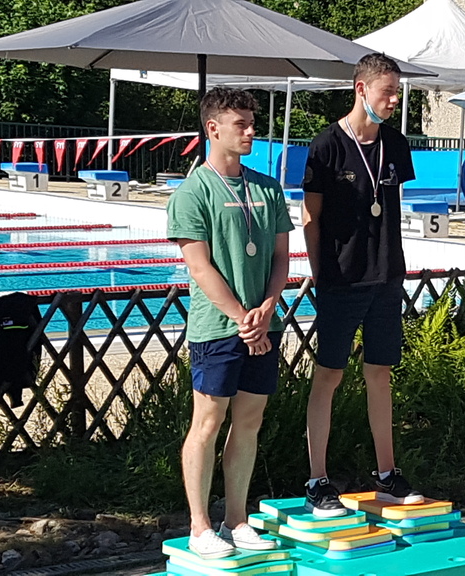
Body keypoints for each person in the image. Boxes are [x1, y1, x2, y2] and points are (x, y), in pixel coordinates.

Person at [167, 87, 293, 558]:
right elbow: (199, 267)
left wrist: (268, 307)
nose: (251, 131)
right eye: (241, 124)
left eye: (252, 123)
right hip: (218, 328)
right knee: (208, 421)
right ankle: (200, 525)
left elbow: (281, 257)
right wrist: (243, 318)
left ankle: (237, 519)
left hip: (264, 325)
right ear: (213, 128)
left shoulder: (267, 188)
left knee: (249, 421)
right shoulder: (192, 192)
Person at [301, 52, 421, 517]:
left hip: (386, 276)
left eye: (397, 92)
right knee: (329, 375)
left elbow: (388, 203)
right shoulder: (327, 145)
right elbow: (310, 217)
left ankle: (387, 473)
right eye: (387, 92)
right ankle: (317, 479)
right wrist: (321, 273)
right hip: (341, 278)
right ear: (361, 89)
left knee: (380, 373)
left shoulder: (395, 144)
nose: (394, 100)